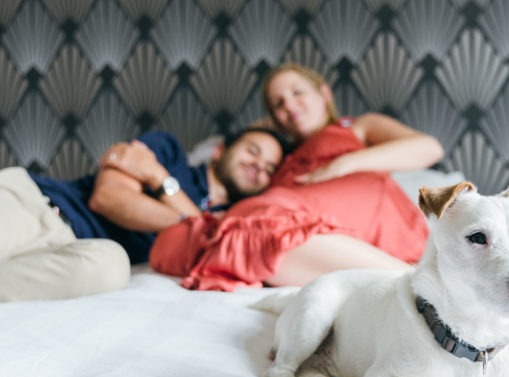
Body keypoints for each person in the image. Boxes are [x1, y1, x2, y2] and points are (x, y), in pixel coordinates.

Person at [150, 63, 445, 290]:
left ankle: (416, 283)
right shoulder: (280, 158)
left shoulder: (355, 128)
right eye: (277, 104)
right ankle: (404, 284)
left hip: (371, 230)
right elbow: (241, 149)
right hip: (297, 224)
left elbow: (428, 148)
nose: (288, 105)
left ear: (324, 93)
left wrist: (342, 165)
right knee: (178, 239)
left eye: (297, 92)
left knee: (258, 218)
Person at [0, 127, 288, 301]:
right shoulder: (167, 151)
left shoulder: (237, 221)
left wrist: (157, 179)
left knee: (112, 268)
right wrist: (200, 228)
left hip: (80, 251)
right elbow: (108, 199)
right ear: (219, 151)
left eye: (270, 168)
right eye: (253, 151)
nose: (259, 165)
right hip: (36, 204)